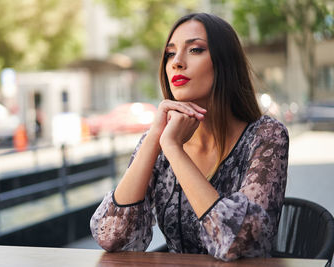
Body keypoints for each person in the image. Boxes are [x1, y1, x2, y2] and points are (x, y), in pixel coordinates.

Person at [90, 12, 289, 261]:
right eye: (170, 54)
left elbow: (236, 242)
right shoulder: (158, 141)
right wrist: (155, 137)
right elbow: (110, 236)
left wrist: (174, 149)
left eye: (195, 50)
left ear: (225, 62)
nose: (177, 62)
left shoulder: (266, 135)